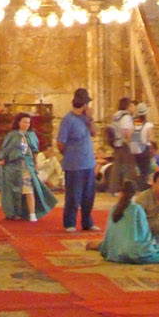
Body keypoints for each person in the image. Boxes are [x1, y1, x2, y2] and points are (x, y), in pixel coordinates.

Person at [97, 180, 159, 264]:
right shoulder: (136, 209)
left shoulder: (114, 208)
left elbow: (109, 234)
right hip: (131, 252)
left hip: (113, 251)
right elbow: (144, 235)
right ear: (136, 193)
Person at [0, 112, 55, 222]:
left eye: (28, 122)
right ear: (18, 122)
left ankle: (32, 213)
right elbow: (6, 149)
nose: (26, 125)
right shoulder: (12, 135)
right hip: (13, 166)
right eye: (24, 122)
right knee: (13, 191)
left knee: (29, 189)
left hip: (26, 166)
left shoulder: (31, 135)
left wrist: (35, 164)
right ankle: (13, 213)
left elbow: (34, 151)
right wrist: (3, 159)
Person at [57, 87, 96, 233]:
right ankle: (70, 223)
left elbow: (94, 132)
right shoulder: (68, 120)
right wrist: (71, 155)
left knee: (88, 196)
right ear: (83, 104)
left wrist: (90, 119)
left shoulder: (86, 119)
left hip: (89, 163)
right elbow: (60, 143)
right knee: (73, 196)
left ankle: (87, 222)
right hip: (74, 165)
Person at [107, 98, 138, 192]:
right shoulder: (126, 117)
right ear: (128, 106)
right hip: (124, 144)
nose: (134, 108)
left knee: (116, 168)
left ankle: (113, 188)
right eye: (132, 106)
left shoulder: (116, 116)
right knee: (130, 168)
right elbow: (126, 132)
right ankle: (132, 189)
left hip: (117, 143)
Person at [130, 104, 155, 187]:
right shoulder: (149, 125)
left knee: (135, 171)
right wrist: (154, 148)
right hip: (144, 150)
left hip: (134, 150)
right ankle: (141, 190)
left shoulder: (135, 123)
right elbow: (151, 139)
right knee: (144, 171)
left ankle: (134, 188)